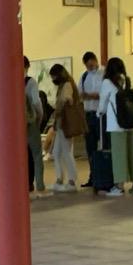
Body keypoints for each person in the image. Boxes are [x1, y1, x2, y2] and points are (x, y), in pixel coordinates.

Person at [100, 56, 133, 196]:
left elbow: (102, 105)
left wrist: (98, 113)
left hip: (117, 125)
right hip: (132, 123)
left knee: (120, 155)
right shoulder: (127, 80)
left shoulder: (107, 82)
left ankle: (119, 187)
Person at [48, 63, 83, 192]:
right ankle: (59, 179)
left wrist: (60, 105)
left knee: (66, 153)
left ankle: (72, 181)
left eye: (53, 76)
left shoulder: (67, 84)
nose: (53, 80)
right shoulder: (64, 85)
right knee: (56, 153)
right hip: (60, 124)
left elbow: (67, 99)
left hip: (65, 124)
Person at [78, 51, 104, 181]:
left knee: (105, 146)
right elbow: (79, 95)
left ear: (95, 60)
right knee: (90, 147)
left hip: (102, 115)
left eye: (91, 65)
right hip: (88, 115)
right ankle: (93, 176)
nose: (90, 68)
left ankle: (105, 176)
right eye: (87, 66)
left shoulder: (104, 74)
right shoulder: (83, 77)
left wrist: (91, 96)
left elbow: (106, 93)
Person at [24, 57, 45, 195]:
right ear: (27, 66)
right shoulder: (30, 82)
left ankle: (25, 183)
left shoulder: (9, 80)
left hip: (14, 126)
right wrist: (40, 116)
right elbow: (36, 102)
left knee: (22, 156)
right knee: (36, 155)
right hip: (30, 122)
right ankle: (40, 185)